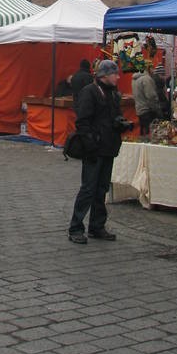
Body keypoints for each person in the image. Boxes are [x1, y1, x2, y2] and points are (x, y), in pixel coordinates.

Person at [68, 59, 130, 244]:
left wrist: (120, 124)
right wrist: (91, 145)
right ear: (104, 75)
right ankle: (76, 227)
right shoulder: (90, 92)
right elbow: (82, 122)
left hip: (108, 147)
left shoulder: (113, 94)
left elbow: (112, 117)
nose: (118, 77)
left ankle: (97, 226)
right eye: (114, 74)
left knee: (101, 189)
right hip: (94, 149)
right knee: (88, 189)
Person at [132, 60, 163, 136]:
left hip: (139, 110)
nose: (153, 70)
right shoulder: (147, 79)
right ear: (148, 68)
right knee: (152, 135)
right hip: (148, 111)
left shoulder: (134, 79)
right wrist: (157, 110)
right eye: (152, 68)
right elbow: (151, 96)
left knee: (143, 134)